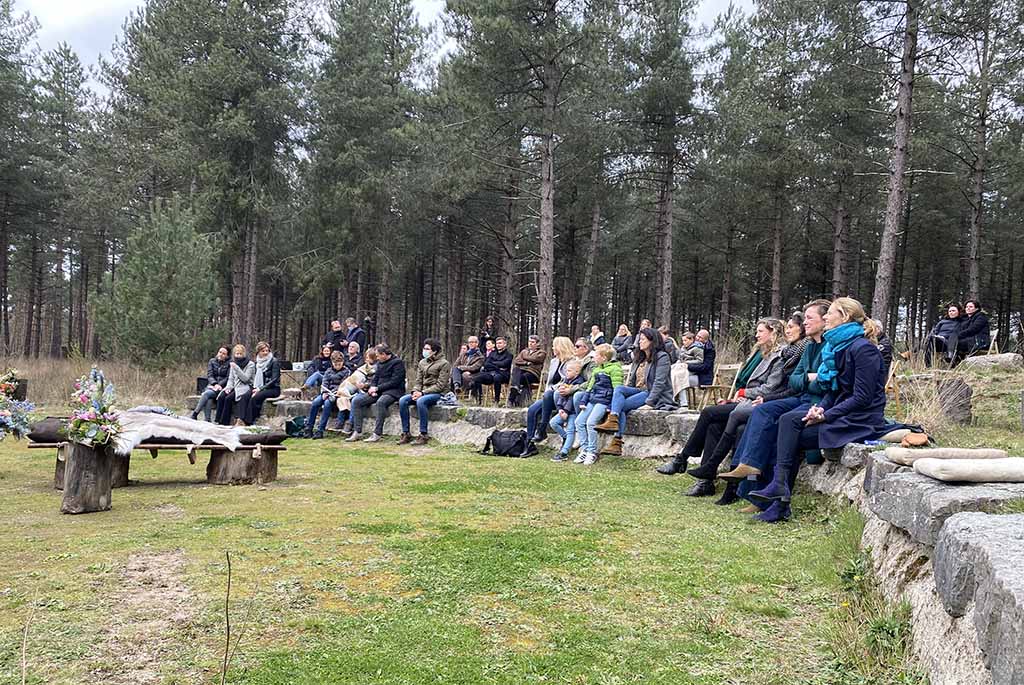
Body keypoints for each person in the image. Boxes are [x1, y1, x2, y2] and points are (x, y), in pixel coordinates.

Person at [748, 298, 896, 523]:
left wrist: (827, 414)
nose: (826, 317)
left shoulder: (863, 349)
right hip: (844, 414)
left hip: (861, 420)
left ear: (844, 317)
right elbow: (835, 391)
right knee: (789, 422)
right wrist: (820, 408)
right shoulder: (842, 346)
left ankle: (780, 502)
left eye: (831, 313)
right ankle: (779, 488)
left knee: (792, 432)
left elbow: (862, 397)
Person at [711, 300, 832, 504]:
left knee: (771, 425)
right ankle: (746, 476)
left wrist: (807, 380)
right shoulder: (810, 346)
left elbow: (819, 384)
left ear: (825, 319)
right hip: (797, 397)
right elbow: (796, 379)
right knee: (761, 412)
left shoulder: (820, 347)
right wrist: (809, 378)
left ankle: (751, 491)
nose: (804, 323)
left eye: (809, 318)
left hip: (811, 401)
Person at [657, 319, 791, 502]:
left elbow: (770, 388)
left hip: (757, 402)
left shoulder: (779, 355)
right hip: (745, 400)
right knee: (713, 426)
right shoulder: (761, 353)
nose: (757, 335)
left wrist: (744, 392)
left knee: (708, 413)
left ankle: (683, 460)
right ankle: (705, 482)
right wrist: (733, 397)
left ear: (773, 332)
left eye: (760, 331)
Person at [597, 328, 676, 456]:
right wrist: (615, 404)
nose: (639, 342)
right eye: (640, 339)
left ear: (652, 341)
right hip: (638, 391)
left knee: (620, 406)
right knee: (619, 390)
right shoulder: (639, 357)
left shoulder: (662, 357)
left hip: (651, 393)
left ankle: (616, 440)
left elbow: (659, 383)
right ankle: (614, 420)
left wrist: (650, 403)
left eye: (643, 339)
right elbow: (630, 383)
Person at [572, 344, 622, 466]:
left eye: (596, 355)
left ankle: (592, 451)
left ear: (604, 357)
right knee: (579, 422)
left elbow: (617, 390)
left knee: (591, 423)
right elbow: (589, 388)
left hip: (604, 402)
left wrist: (612, 406)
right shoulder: (596, 370)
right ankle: (584, 448)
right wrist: (584, 401)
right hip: (593, 400)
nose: (593, 357)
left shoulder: (615, 369)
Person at [347, 344, 407, 443]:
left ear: (384, 354)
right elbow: (375, 379)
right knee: (357, 401)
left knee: (381, 402)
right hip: (379, 390)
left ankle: (377, 433)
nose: (377, 358)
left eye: (378, 355)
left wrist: (377, 388)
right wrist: (372, 388)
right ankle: (357, 431)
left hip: (394, 391)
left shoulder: (398, 363)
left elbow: (395, 381)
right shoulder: (380, 363)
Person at [524, 336, 577, 446]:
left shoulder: (572, 362)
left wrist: (552, 389)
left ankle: (542, 429)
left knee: (548, 394)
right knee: (532, 410)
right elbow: (549, 382)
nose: (552, 348)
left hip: (563, 396)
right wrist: (549, 389)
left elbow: (567, 381)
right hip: (549, 395)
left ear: (561, 347)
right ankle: (529, 444)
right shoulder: (554, 361)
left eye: (554, 346)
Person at [398, 338, 451, 445]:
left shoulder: (444, 363)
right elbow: (418, 381)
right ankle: (406, 432)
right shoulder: (422, 362)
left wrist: (422, 393)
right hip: (422, 391)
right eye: (424, 348)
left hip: (438, 393)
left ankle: (423, 434)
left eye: (428, 349)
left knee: (421, 401)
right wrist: (415, 391)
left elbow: (441, 385)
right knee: (403, 400)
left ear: (434, 351)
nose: (425, 351)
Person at [304, 351, 350, 439]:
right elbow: (324, 383)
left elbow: (343, 384)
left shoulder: (346, 371)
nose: (337, 366)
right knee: (315, 402)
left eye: (339, 364)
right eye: (335, 364)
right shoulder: (328, 371)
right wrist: (324, 392)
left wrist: (332, 392)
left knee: (327, 404)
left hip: (338, 394)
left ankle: (320, 430)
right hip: (326, 392)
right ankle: (309, 428)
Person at [548, 360, 586, 462]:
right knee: (553, 423)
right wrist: (560, 408)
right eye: (566, 370)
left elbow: (571, 399)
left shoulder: (578, 383)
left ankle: (564, 452)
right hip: (564, 410)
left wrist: (565, 411)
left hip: (572, 411)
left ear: (577, 372)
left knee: (570, 431)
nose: (566, 373)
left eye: (569, 371)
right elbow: (561, 395)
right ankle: (565, 438)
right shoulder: (566, 380)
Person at [333, 348, 379, 433]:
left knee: (354, 400)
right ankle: (340, 423)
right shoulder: (365, 366)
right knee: (342, 399)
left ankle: (350, 424)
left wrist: (364, 385)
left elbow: (373, 381)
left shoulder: (375, 368)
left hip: (368, 391)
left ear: (373, 358)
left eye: (368, 357)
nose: (366, 359)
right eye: (366, 357)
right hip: (351, 390)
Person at [215, 344, 255, 426]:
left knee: (228, 398)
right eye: (237, 354)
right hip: (235, 386)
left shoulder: (250, 364)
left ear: (244, 354)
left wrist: (236, 368)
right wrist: (228, 387)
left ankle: (224, 422)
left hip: (246, 386)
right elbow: (231, 378)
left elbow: (246, 379)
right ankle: (218, 420)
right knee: (222, 396)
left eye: (240, 354)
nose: (238, 356)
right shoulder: (233, 363)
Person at [466, 336, 512, 404]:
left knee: (497, 377)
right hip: (491, 374)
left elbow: (504, 364)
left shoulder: (509, 355)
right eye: (497, 343)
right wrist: (497, 366)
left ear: (505, 344)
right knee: (477, 377)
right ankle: (477, 399)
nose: (498, 345)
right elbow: (486, 364)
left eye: (500, 343)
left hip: (503, 375)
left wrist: (493, 364)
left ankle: (496, 400)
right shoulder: (492, 353)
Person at [245, 341, 280, 425]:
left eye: (267, 351)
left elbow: (274, 379)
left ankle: (250, 422)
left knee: (255, 398)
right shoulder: (257, 363)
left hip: (272, 388)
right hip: (258, 386)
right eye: (263, 351)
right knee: (245, 395)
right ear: (258, 352)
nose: (265, 353)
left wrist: (260, 389)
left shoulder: (274, 361)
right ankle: (241, 419)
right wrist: (254, 388)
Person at [192, 347, 230, 422]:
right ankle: (207, 420)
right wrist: (215, 384)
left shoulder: (230, 363)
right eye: (220, 352)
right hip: (211, 385)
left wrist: (219, 385)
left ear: (227, 356)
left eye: (223, 353)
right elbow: (210, 375)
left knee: (206, 394)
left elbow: (228, 377)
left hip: (222, 388)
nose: (221, 354)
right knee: (208, 397)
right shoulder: (212, 361)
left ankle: (195, 414)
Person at [508, 335, 547, 407]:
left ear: (537, 343)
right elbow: (517, 361)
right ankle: (516, 390)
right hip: (522, 370)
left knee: (523, 377)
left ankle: (513, 398)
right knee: (516, 369)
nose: (530, 343)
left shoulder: (541, 352)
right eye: (529, 342)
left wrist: (524, 357)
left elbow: (537, 359)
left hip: (533, 373)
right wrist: (526, 363)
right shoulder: (524, 351)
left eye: (533, 342)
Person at [670, 332, 702, 403]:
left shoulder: (697, 348)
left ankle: (683, 402)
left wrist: (687, 363)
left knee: (679, 377)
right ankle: (671, 398)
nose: (684, 342)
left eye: (685, 340)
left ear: (691, 340)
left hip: (692, 370)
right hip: (682, 367)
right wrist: (677, 364)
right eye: (683, 341)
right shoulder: (683, 348)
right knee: (671, 373)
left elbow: (700, 361)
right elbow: (680, 359)